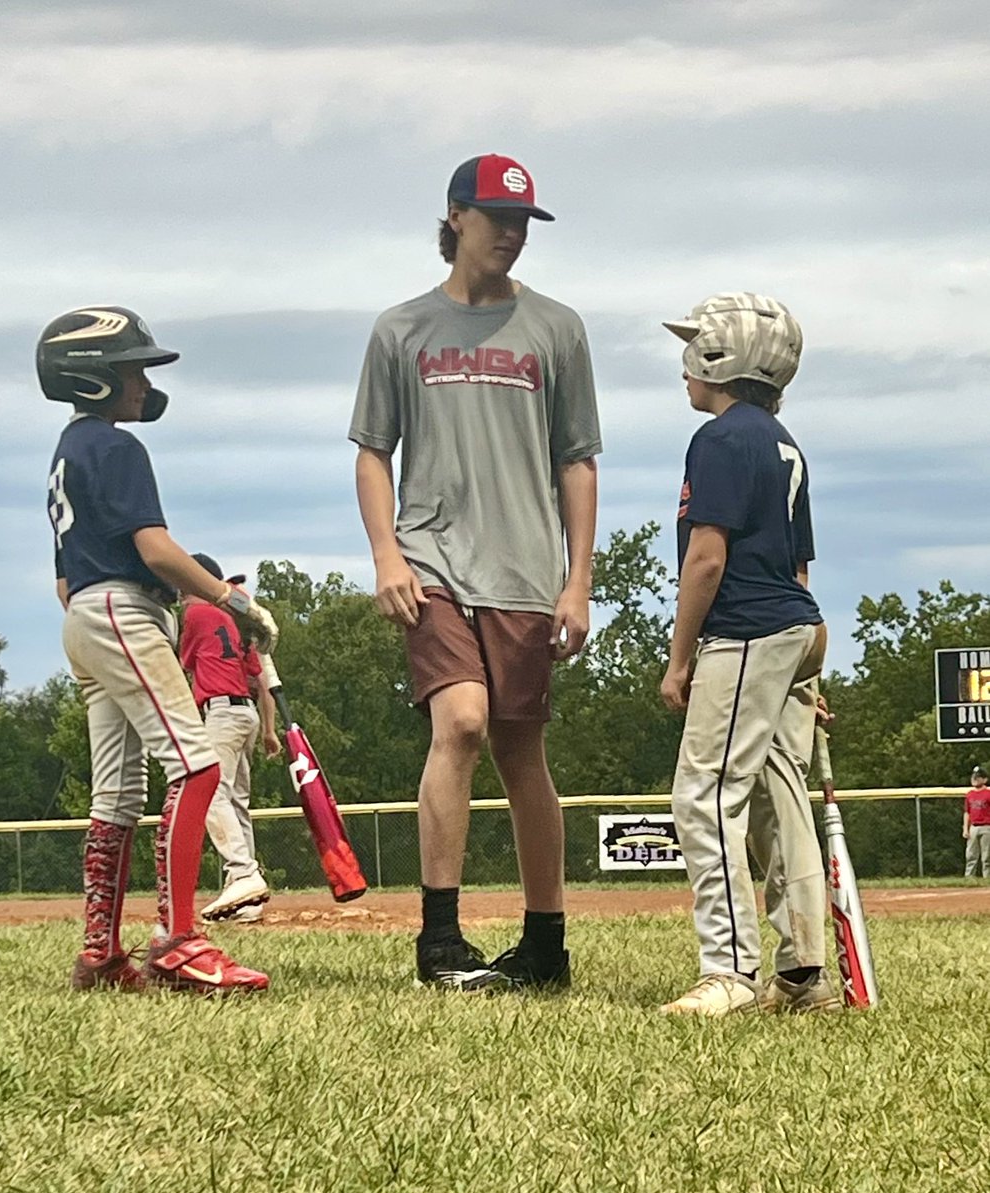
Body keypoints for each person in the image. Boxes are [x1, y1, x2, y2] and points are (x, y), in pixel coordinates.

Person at [349, 154, 602, 991]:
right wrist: (387, 553)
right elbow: (372, 453)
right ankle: (440, 937)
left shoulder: (556, 329)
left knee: (520, 747)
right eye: (495, 217)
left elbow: (577, 461)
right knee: (459, 721)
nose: (511, 234)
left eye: (523, 221)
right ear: (454, 216)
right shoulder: (400, 329)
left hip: (526, 570)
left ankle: (544, 944)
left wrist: (578, 579)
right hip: (432, 562)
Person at [41, 305, 277, 993]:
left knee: (116, 792)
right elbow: (153, 548)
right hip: (121, 608)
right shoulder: (117, 448)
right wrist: (228, 598)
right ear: (91, 378)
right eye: (131, 369)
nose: (143, 382)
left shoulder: (68, 451)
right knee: (197, 765)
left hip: (83, 615)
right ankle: (177, 940)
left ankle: (99, 954)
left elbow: (63, 578)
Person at [657, 292, 841, 1017]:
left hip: (744, 631)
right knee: (777, 798)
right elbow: (798, 568)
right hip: (793, 627)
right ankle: (802, 975)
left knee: (703, 796)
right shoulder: (783, 440)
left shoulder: (722, 439)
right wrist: (800, 673)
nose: (683, 368)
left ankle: (728, 971)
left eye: (693, 349)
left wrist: (680, 659)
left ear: (719, 357)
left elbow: (706, 558)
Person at [180, 554, 281, 923]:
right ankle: (247, 901)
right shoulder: (239, 624)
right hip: (247, 715)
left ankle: (242, 873)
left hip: (221, 713)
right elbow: (264, 684)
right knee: (236, 802)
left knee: (210, 793)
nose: (182, 598)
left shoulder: (196, 614)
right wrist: (270, 731)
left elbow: (184, 666)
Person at [963, 766, 990, 879]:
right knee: (971, 854)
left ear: (985, 780)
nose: (975, 779)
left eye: (978, 777)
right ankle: (969, 878)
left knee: (987, 856)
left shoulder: (988, 793)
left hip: (987, 826)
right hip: (973, 827)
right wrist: (965, 828)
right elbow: (967, 812)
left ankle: (987, 878)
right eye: (974, 777)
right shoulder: (970, 794)